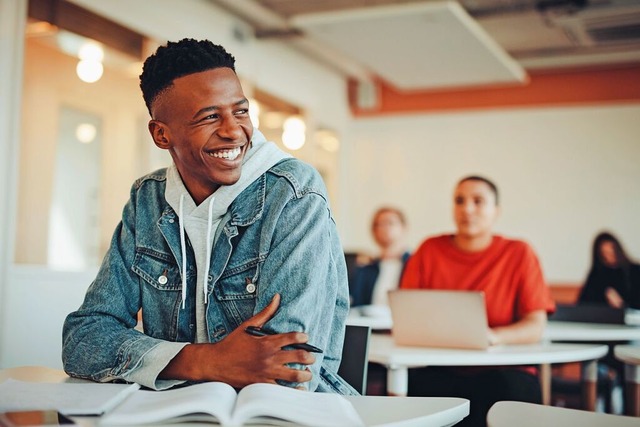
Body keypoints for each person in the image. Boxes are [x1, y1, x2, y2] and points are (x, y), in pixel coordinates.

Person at [62, 38, 354, 395]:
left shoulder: (293, 192)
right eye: (210, 116)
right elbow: (83, 339)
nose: (233, 130)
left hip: (280, 415)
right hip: (174, 410)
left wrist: (166, 361)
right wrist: (208, 360)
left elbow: (288, 370)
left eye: (241, 111)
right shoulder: (148, 200)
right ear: (161, 134)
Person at [400, 175, 555, 427]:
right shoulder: (429, 249)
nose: (467, 209)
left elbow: (536, 325)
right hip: (441, 366)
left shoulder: (519, 253)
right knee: (418, 388)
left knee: (510, 391)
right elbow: (407, 313)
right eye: (459, 201)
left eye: (478, 201)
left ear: (496, 211)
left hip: (504, 369)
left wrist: (494, 336)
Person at [351, 206, 410, 308]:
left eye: (390, 223)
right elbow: (357, 303)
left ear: (403, 227)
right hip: (370, 322)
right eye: (378, 225)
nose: (384, 228)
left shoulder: (414, 264)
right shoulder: (366, 268)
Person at [578, 231, 640, 309]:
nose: (610, 257)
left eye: (612, 252)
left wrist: (622, 304)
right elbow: (583, 305)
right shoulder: (596, 275)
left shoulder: (634, 271)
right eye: (605, 254)